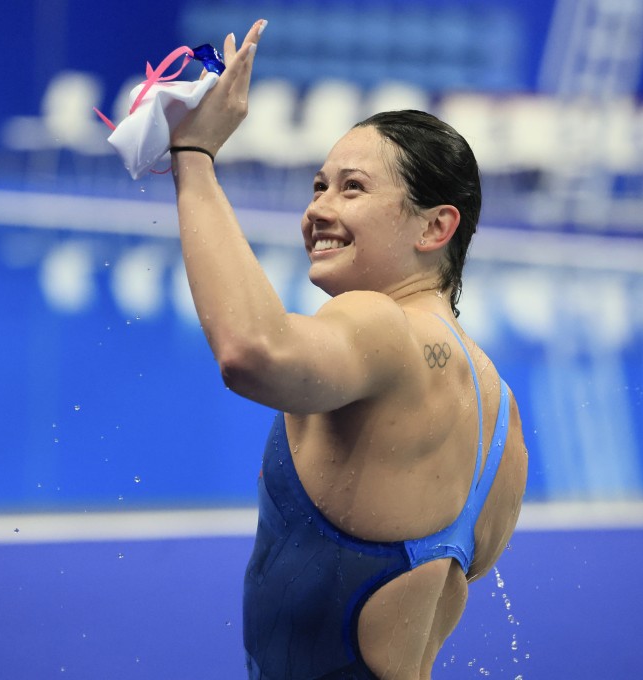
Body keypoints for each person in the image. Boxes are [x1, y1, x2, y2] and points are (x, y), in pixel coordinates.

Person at [167, 20, 528, 680]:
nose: (318, 210)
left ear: (435, 225)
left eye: (352, 188)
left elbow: (250, 350)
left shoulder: (380, 328)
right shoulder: (499, 414)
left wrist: (193, 159)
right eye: (318, 186)